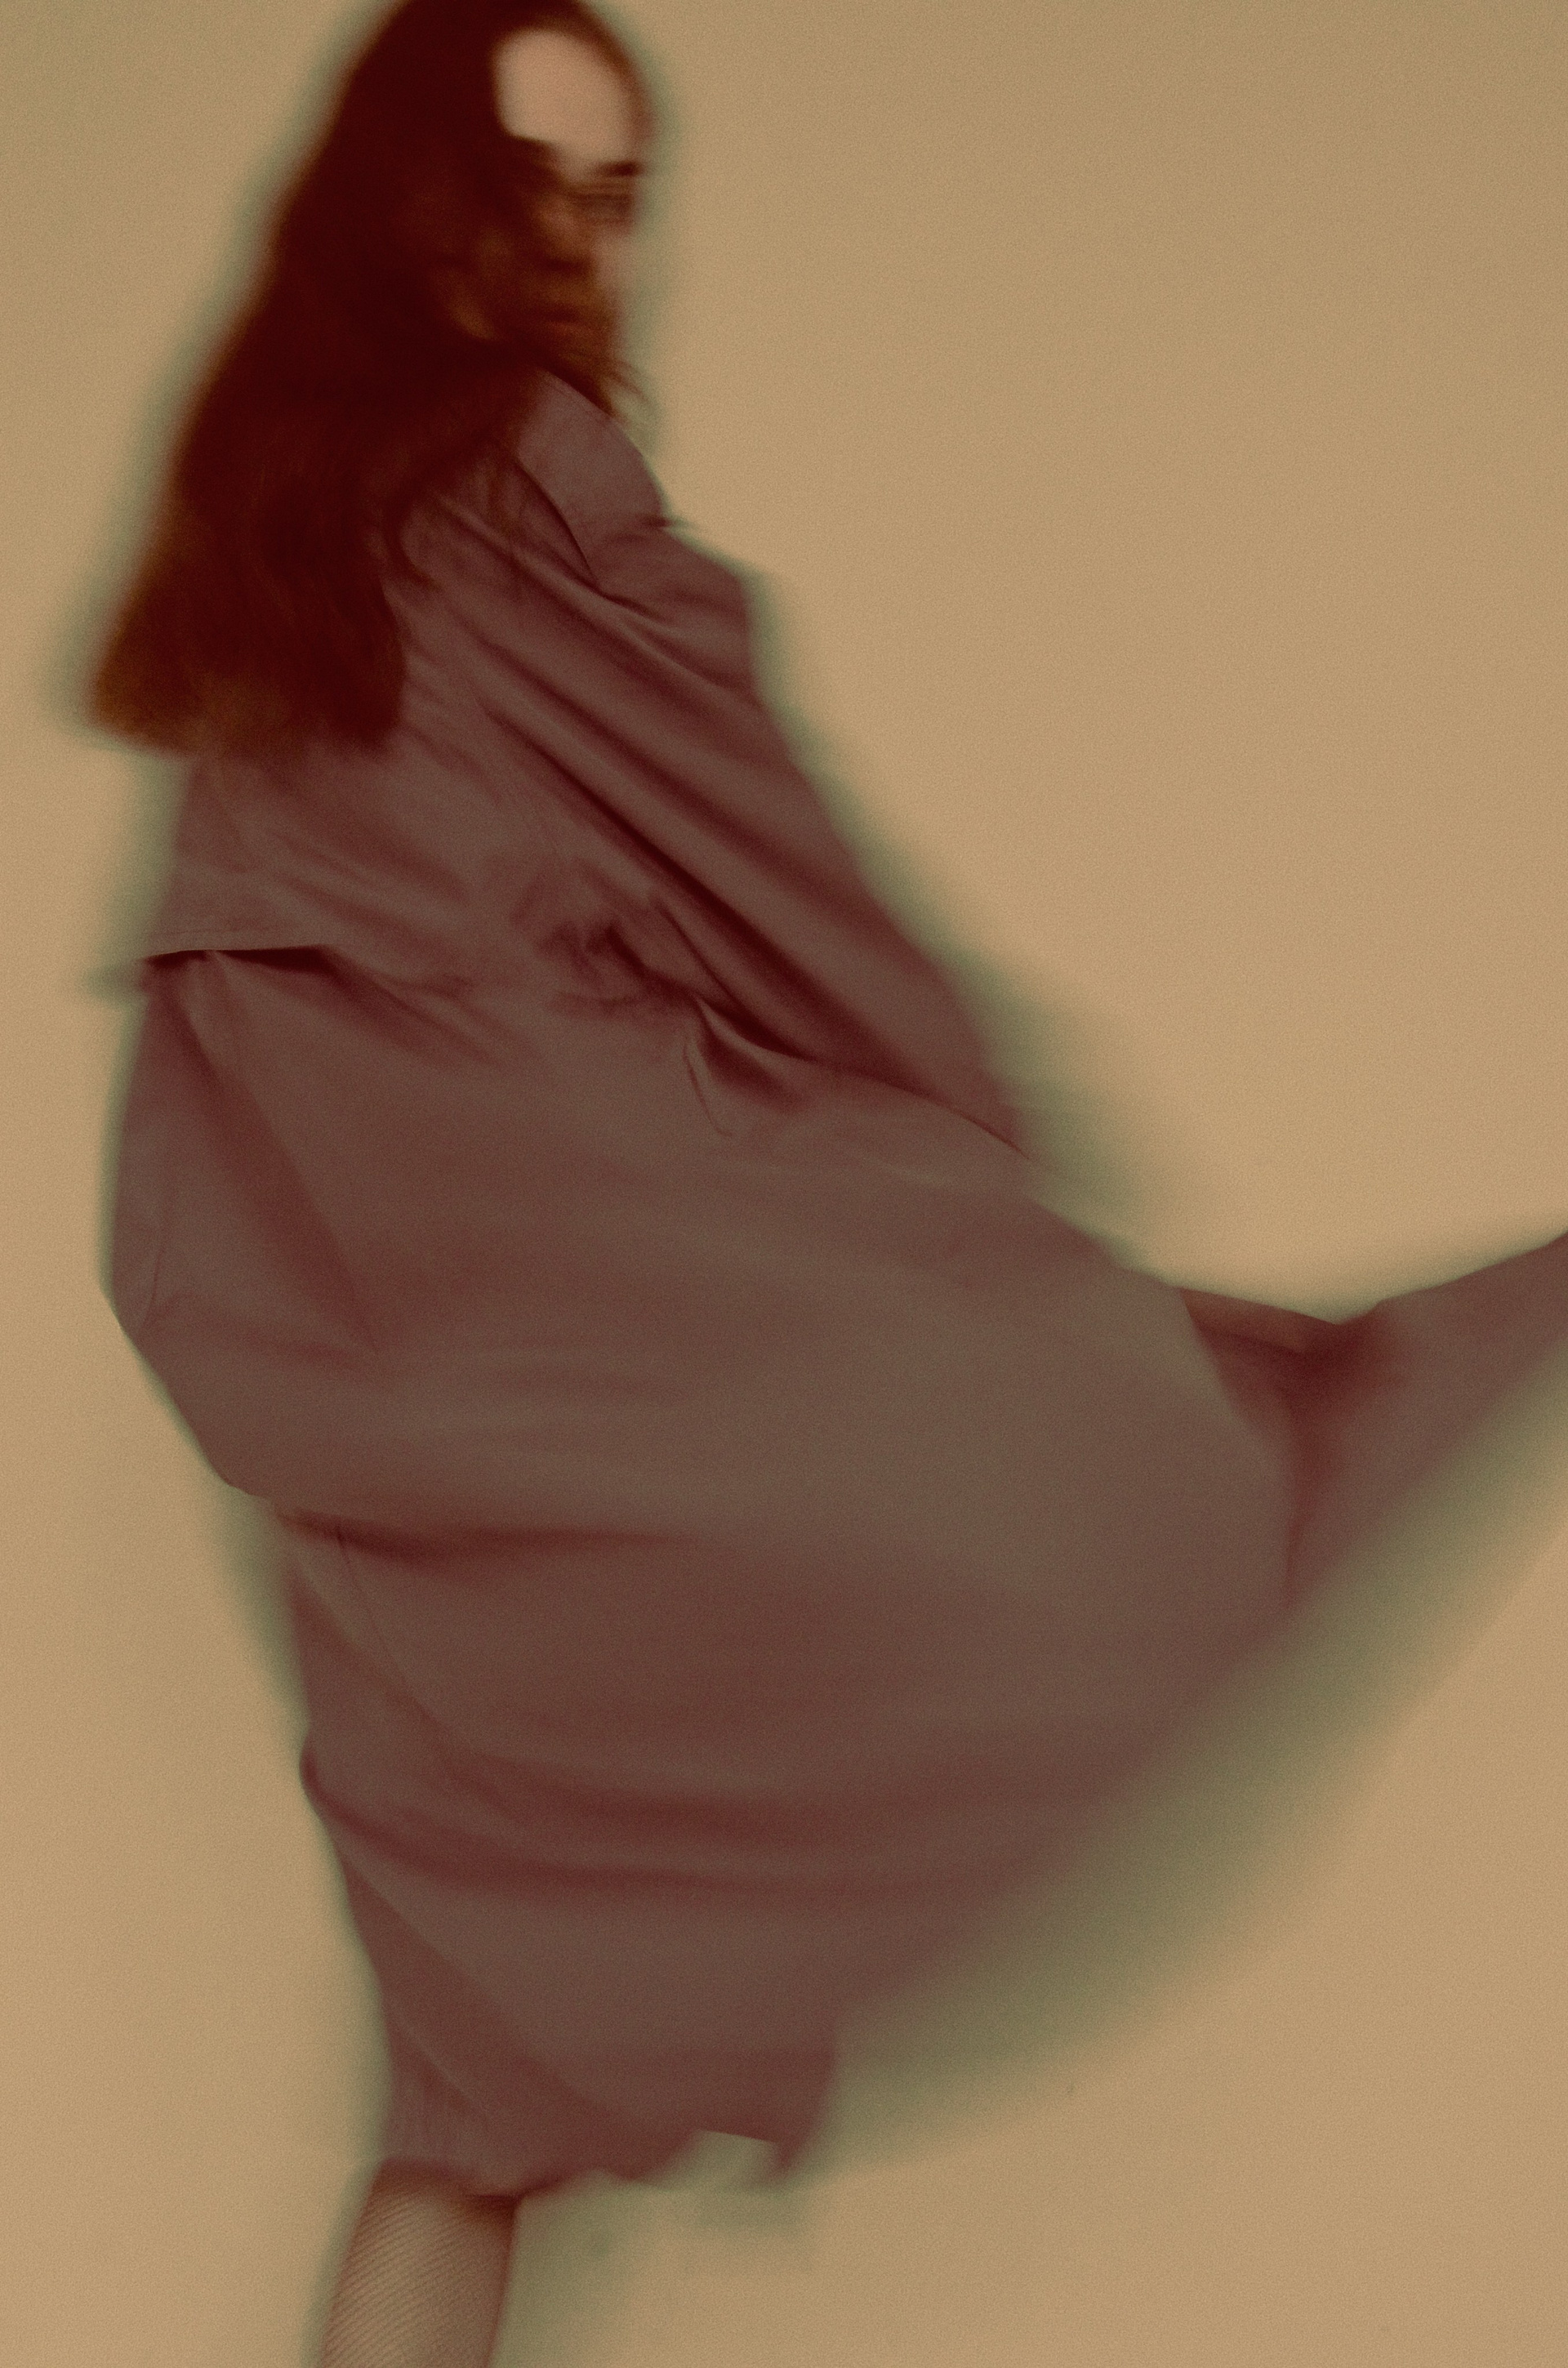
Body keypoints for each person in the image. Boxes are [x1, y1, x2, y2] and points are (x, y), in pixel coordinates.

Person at [83, 6, 1568, 2366]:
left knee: (462, 2112)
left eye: (617, 196)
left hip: (385, 1400)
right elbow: (774, 881)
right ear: (404, 199)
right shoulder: (521, 481)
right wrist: (995, 1166)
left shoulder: (272, 551)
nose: (578, 248)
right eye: (532, 185)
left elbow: (216, 1063)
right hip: (538, 1329)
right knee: (1194, 1438)